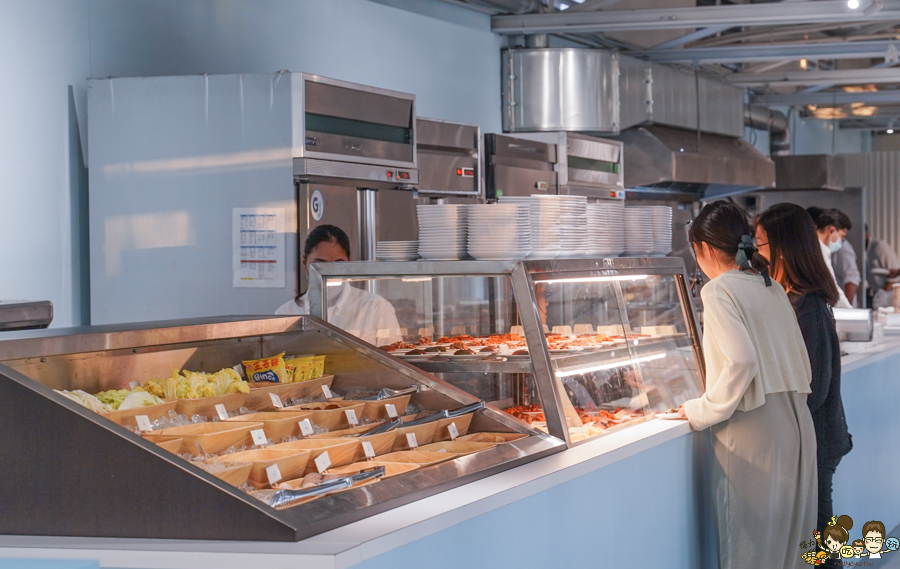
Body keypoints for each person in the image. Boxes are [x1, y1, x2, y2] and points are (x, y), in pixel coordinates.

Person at [666, 201, 817, 569]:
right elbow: (802, 364)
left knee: (750, 549)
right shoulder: (771, 287)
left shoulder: (719, 291)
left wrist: (699, 410)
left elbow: (742, 361)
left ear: (701, 248)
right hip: (796, 423)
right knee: (791, 548)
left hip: (753, 432)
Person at [755, 204, 852, 558]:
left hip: (817, 440)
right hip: (809, 437)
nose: (756, 251)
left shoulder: (807, 305)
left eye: (761, 243)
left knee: (821, 549)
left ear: (783, 246)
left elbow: (814, 386)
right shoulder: (792, 297)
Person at [276, 224, 402, 345]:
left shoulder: (376, 308)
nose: (329, 272)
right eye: (320, 264)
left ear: (349, 263)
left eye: (338, 264)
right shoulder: (286, 314)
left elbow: (396, 362)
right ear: (304, 262)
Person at [807, 207, 852, 308]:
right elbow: (832, 289)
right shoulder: (817, 252)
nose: (842, 240)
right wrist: (850, 311)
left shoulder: (814, 248)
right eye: (842, 236)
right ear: (831, 230)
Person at [830, 210, 862, 307]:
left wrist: (847, 311)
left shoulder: (844, 250)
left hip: (843, 308)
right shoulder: (827, 249)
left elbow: (851, 281)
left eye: (843, 237)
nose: (841, 240)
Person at [865, 224, 900, 307]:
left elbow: (893, 276)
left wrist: (883, 294)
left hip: (889, 294)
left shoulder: (880, 247)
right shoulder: (868, 250)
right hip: (878, 293)